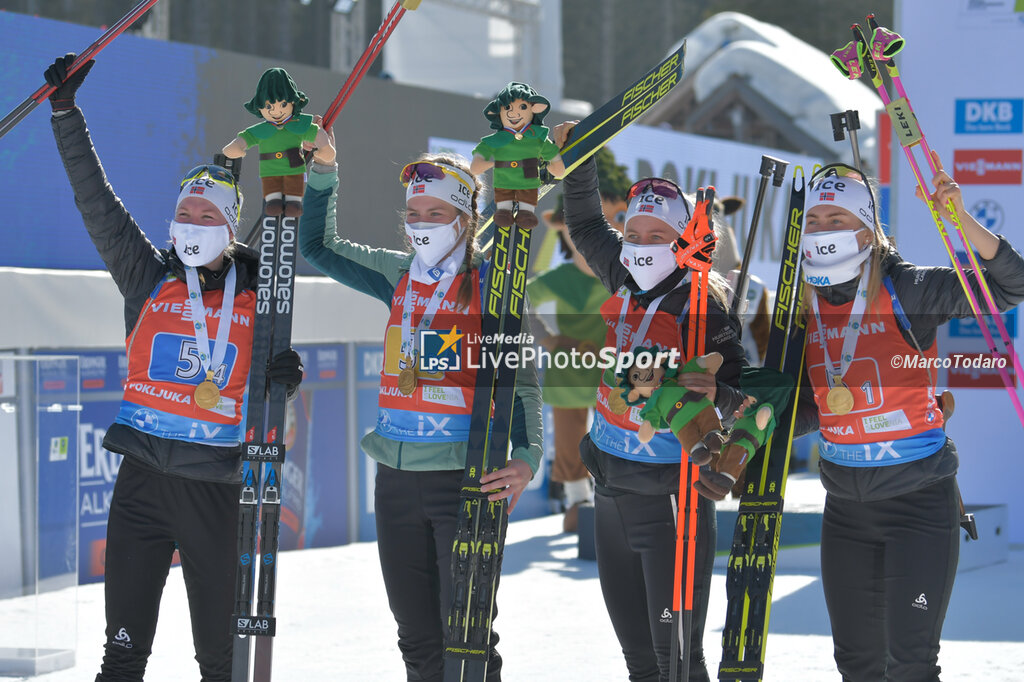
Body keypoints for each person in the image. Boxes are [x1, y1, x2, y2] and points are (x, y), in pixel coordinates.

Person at [44, 54, 303, 682]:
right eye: (186, 213)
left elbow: (292, 226)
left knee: (221, 661)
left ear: (232, 226)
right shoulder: (147, 276)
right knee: (123, 654)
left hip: (216, 489)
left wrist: (280, 383)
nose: (193, 225)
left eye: (208, 215)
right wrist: (65, 114)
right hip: (140, 486)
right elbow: (96, 204)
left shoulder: (259, 285)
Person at [298, 130, 543, 681]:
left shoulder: (492, 284)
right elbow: (318, 246)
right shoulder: (395, 274)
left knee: (470, 635)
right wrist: (325, 171)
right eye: (413, 212)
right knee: (415, 637)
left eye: (435, 211)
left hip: (467, 478)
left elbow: (522, 382)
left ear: (463, 218)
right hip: (396, 481)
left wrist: (528, 455)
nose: (421, 222)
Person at [785, 160, 1024, 681]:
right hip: (845, 508)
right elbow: (812, 407)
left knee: (911, 665)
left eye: (836, 220)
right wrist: (750, 414)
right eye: (814, 222)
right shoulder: (800, 301)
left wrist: (959, 218)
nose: (822, 233)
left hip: (918, 505)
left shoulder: (908, 288)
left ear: (868, 230)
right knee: (858, 663)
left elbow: (1011, 288)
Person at [555, 123, 747, 682]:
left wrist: (718, 393)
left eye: (654, 235)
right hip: (612, 487)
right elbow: (587, 223)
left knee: (678, 663)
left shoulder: (701, 304)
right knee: (639, 662)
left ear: (683, 240)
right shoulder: (623, 273)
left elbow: (739, 394)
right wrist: (581, 156)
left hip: (672, 495)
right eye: (632, 234)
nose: (637, 245)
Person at [526, 148, 631, 532]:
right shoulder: (549, 284)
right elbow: (531, 314)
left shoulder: (628, 281)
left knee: (618, 432)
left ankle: (613, 498)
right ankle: (577, 501)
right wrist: (551, 342)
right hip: (569, 374)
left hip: (615, 374)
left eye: (617, 219)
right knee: (570, 439)